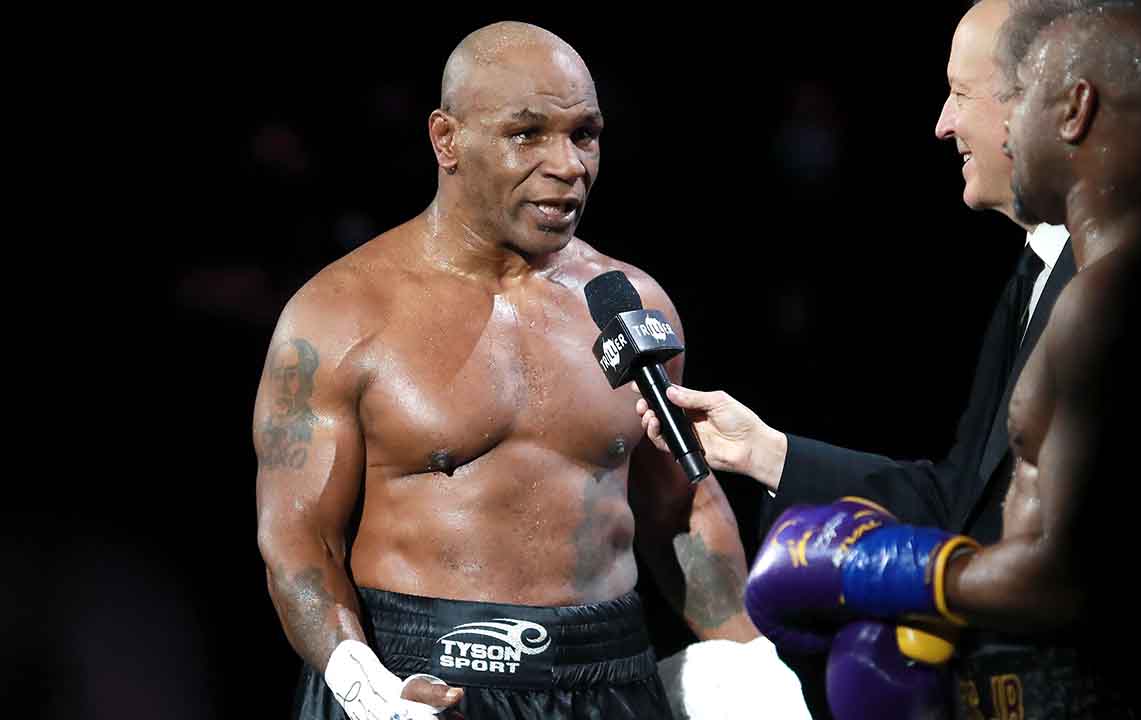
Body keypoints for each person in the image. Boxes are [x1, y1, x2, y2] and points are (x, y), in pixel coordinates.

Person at [254, 21, 806, 720]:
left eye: (585, 134)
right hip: (422, 679)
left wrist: (748, 656)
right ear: (447, 140)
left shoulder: (632, 304)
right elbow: (299, 538)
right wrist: (359, 679)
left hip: (608, 677)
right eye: (527, 134)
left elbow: (679, 504)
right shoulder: (339, 314)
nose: (568, 164)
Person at [744, 0, 1141, 716]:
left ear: (1073, 109)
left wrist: (876, 571)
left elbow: (1070, 576)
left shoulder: (1107, 303)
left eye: (1016, 94)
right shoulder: (1068, 283)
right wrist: (769, 453)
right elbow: (984, 501)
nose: (990, 126)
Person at [638, 1, 1074, 716]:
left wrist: (933, 581)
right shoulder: (1033, 273)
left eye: (961, 94)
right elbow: (960, 501)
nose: (942, 123)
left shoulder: (1113, 284)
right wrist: (765, 452)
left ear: (1050, 102)